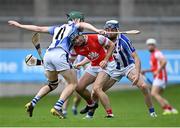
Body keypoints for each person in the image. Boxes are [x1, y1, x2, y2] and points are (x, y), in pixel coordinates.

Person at [8, 11, 105, 119]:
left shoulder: (57, 28)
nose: (83, 23)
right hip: (60, 54)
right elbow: (84, 25)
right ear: (77, 20)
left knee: (52, 84)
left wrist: (20, 25)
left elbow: (38, 28)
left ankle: (33, 102)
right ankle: (58, 107)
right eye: (82, 20)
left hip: (48, 54)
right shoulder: (75, 26)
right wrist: (97, 30)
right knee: (72, 84)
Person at [83, 20, 157, 118]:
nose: (109, 31)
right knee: (96, 91)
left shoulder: (124, 41)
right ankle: (90, 115)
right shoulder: (103, 39)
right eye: (107, 29)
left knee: (144, 86)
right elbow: (93, 50)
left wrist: (137, 74)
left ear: (117, 30)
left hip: (127, 67)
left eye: (111, 30)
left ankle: (152, 112)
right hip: (112, 69)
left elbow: (136, 58)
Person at [71, 33, 116, 118]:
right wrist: (80, 63)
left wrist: (106, 60)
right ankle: (91, 104)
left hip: (107, 64)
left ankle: (110, 114)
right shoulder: (76, 47)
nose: (77, 41)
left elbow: (112, 45)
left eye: (77, 38)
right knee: (79, 87)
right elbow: (91, 55)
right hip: (94, 66)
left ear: (81, 35)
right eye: (74, 40)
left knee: (97, 89)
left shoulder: (97, 38)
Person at [141, 38, 178, 115]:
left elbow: (164, 61)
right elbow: (154, 68)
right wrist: (146, 71)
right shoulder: (152, 55)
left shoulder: (157, 53)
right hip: (158, 77)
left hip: (160, 76)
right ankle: (171, 109)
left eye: (151, 45)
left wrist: (158, 71)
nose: (149, 47)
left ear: (154, 46)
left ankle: (166, 109)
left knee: (154, 93)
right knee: (157, 94)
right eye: (148, 45)